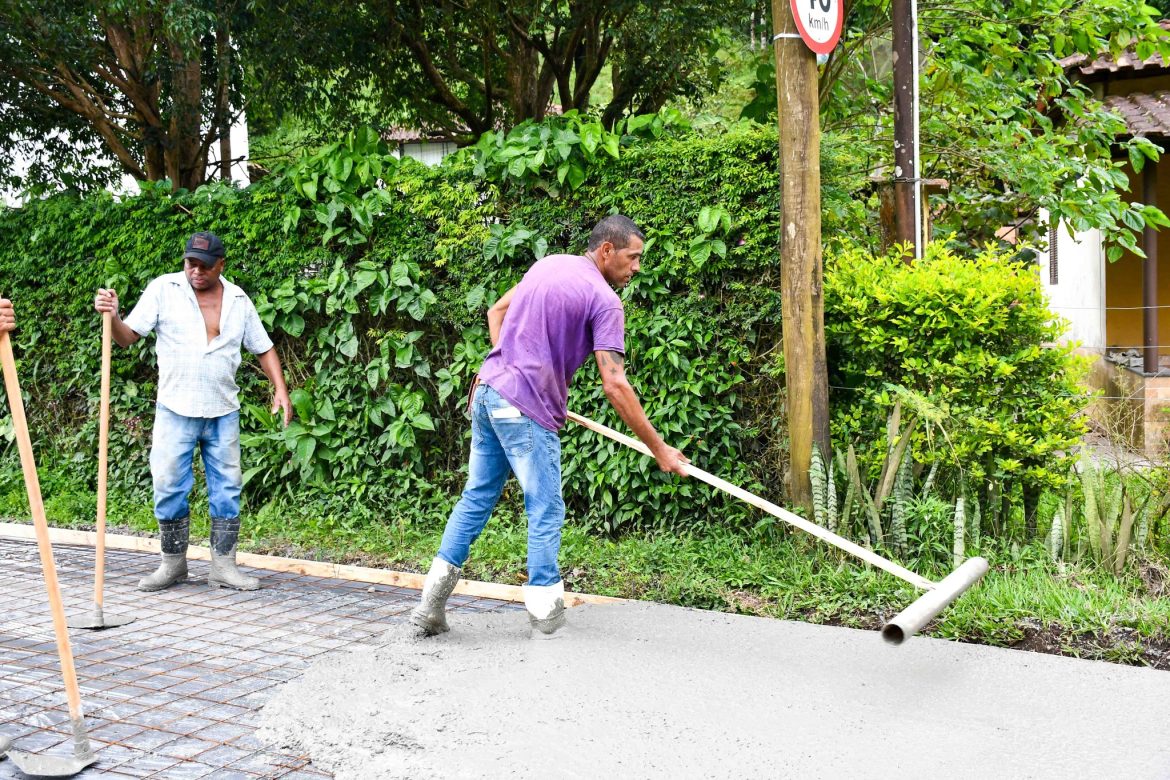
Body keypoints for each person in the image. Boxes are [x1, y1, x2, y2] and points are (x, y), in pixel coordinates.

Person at [411, 214, 689, 637]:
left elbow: (496, 311)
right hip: (524, 409)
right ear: (607, 250)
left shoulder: (547, 264)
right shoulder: (605, 300)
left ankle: (430, 603)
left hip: (487, 393)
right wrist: (659, 449)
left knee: (476, 497)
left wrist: (511, 371)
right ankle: (545, 608)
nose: (636, 269)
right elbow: (615, 384)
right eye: (633, 259)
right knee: (545, 504)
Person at [93, 231, 292, 592]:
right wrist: (113, 315)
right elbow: (127, 337)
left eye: (203, 265)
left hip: (222, 410)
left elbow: (263, 348)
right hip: (175, 408)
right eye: (190, 263)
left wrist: (280, 389)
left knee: (227, 488)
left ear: (221, 265)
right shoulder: (163, 290)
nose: (195, 271)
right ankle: (172, 564)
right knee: (168, 484)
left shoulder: (238, 299)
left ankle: (223, 567)